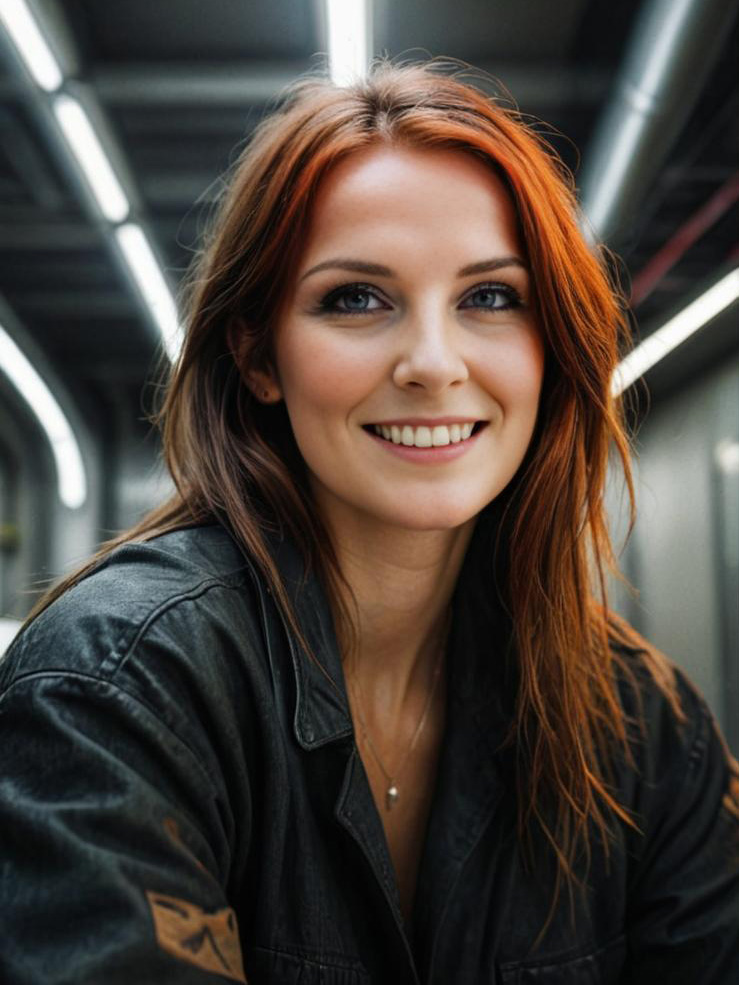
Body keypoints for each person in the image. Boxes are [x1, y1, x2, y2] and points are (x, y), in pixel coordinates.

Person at [1, 61, 737, 985]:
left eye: (490, 297)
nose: (433, 363)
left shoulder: (642, 727)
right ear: (258, 353)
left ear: (551, 345)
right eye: (355, 298)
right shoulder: (119, 686)